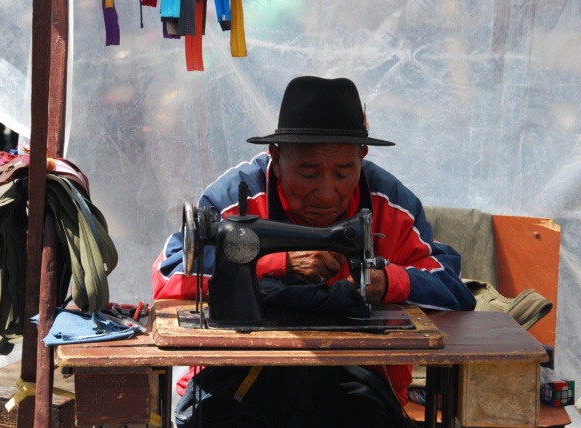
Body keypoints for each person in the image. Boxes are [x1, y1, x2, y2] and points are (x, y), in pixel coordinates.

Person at [151, 76, 476, 427]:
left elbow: (453, 288)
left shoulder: (389, 202)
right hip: (239, 380)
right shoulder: (237, 198)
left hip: (358, 387)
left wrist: (391, 281)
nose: (325, 192)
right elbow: (169, 274)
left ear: (361, 156)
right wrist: (273, 263)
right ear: (276, 155)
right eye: (308, 172)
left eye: (343, 172)